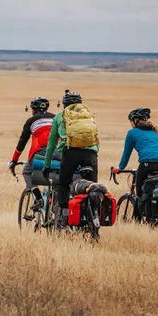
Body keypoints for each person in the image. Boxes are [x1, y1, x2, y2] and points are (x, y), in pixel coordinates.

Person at [42, 90, 99, 226]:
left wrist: (47, 164)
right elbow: (95, 139)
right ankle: (95, 216)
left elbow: (51, 143)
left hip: (70, 153)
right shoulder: (88, 116)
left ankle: (65, 214)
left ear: (64, 105)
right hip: (90, 154)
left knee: (63, 183)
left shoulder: (59, 117)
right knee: (92, 187)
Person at [8, 96, 55, 211]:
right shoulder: (55, 118)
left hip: (40, 151)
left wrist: (14, 160)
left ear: (33, 109)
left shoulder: (31, 121)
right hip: (58, 152)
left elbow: (22, 142)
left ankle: (38, 198)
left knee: (27, 172)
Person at [112, 108, 158, 200]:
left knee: (140, 192)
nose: (131, 124)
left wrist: (120, 167)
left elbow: (126, 154)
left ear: (136, 120)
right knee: (156, 186)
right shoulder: (154, 131)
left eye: (131, 121)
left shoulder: (132, 133)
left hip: (147, 164)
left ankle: (140, 212)